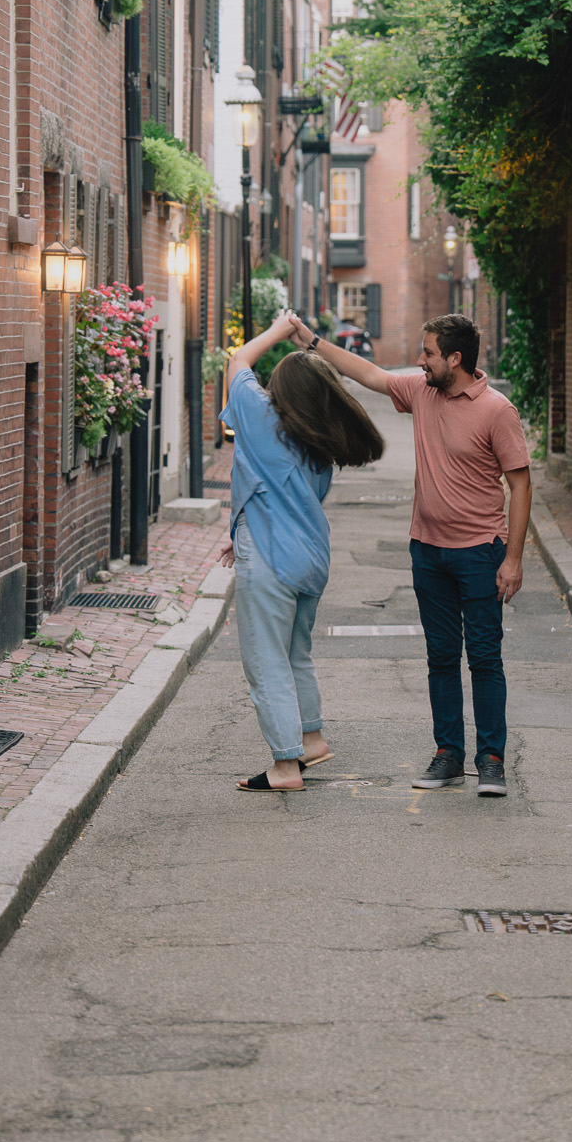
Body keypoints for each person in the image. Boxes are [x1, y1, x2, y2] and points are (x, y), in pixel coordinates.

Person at [287, 311, 530, 797]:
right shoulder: (422, 392)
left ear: (455, 359)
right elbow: (369, 375)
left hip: (481, 552)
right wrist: (312, 342)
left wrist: (514, 559)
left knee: (484, 658)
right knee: (441, 657)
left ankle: (491, 760)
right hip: (428, 552)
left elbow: (520, 483)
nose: (421, 362)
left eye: (429, 353)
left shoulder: (497, 410)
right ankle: (448, 755)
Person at [220, 310, 385, 792]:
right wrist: (239, 527)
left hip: (270, 559)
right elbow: (278, 494)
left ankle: (286, 766)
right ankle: (310, 740)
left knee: (265, 661)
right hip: (310, 558)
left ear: (284, 393)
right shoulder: (319, 445)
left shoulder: (261, 417)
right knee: (296, 655)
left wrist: (280, 329)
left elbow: (237, 360)